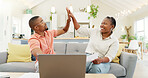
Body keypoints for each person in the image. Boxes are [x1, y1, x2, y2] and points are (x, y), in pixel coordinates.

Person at [66, 8, 119, 73]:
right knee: (77, 66)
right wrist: (73, 17)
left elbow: (109, 57)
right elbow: (79, 29)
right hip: (89, 57)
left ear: (112, 26)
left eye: (105, 24)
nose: (101, 25)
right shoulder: (94, 31)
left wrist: (100, 60)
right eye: (101, 23)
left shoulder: (114, 41)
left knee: (95, 67)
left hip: (103, 61)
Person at [28, 8, 71, 72]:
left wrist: (68, 21)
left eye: (43, 20)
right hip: (42, 63)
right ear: (36, 27)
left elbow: (64, 30)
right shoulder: (33, 39)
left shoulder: (49, 33)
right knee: (43, 68)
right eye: (41, 22)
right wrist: (50, 62)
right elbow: (37, 52)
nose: (45, 23)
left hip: (53, 61)